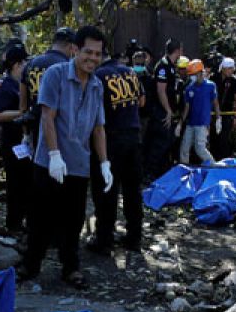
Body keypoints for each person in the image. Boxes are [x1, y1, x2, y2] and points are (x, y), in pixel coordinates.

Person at [18, 25, 110, 289]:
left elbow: (98, 127)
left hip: (79, 164)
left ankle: (70, 267)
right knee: (40, 217)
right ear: (74, 50)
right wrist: (55, 154)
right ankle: (31, 264)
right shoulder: (55, 75)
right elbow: (48, 116)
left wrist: (104, 162)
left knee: (74, 219)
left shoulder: (96, 85)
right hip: (49, 162)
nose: (93, 59)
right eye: (88, 52)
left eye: (98, 54)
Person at [88, 47, 144, 253]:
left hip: (110, 139)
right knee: (132, 191)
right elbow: (142, 100)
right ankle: (134, 237)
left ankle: (104, 240)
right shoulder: (130, 72)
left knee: (106, 191)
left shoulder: (98, 76)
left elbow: (93, 109)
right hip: (133, 136)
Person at [0, 43, 29, 233]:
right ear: (16, 64)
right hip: (12, 141)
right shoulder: (4, 85)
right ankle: (14, 223)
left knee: (28, 184)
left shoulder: (23, 82)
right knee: (15, 185)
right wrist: (21, 113)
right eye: (24, 62)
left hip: (25, 141)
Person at [19, 27, 77, 147]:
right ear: (71, 47)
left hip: (36, 127)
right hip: (60, 130)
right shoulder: (67, 66)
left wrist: (25, 134)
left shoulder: (31, 64)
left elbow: (23, 105)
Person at [143, 38, 184, 180]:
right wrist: (168, 111)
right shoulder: (163, 66)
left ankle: (161, 173)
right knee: (158, 144)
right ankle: (149, 174)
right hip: (161, 112)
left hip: (168, 111)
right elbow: (161, 90)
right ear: (178, 50)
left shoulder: (172, 66)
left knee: (167, 144)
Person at [178, 59, 218, 166]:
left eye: (193, 74)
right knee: (184, 148)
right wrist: (180, 124)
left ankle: (214, 166)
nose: (191, 77)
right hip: (191, 123)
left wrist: (219, 119)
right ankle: (183, 170)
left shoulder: (210, 86)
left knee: (200, 149)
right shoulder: (189, 88)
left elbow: (215, 103)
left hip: (202, 123)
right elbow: (187, 107)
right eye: (190, 75)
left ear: (200, 72)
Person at [211, 56, 236, 159]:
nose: (231, 70)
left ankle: (224, 162)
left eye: (232, 68)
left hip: (227, 115)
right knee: (213, 139)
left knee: (224, 140)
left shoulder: (235, 81)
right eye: (228, 68)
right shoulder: (213, 78)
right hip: (213, 114)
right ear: (223, 68)